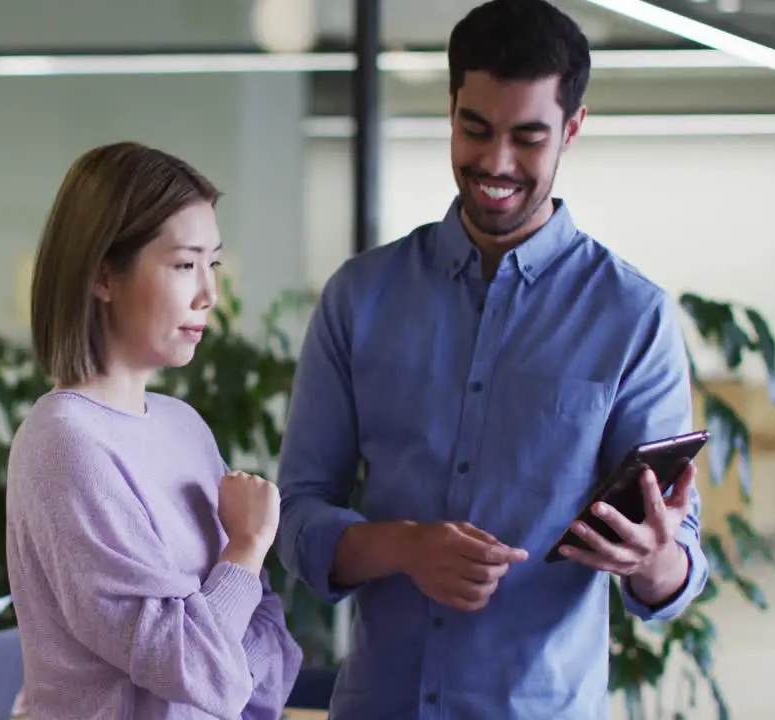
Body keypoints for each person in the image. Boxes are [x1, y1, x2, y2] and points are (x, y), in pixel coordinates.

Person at [275, 1, 709, 717]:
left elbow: (674, 572)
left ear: (572, 129)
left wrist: (653, 558)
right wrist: (404, 547)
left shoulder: (634, 318)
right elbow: (294, 520)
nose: (496, 164)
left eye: (528, 138)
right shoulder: (360, 297)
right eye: (475, 129)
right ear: (450, 108)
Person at [5, 141, 304, 719]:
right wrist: (245, 549)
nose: (209, 294)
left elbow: (271, 653)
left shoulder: (183, 426)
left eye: (212, 263)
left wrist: (219, 645)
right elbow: (191, 662)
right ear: (102, 275)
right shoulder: (65, 441)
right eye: (184, 264)